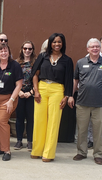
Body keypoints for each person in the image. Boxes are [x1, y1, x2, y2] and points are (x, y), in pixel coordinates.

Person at [69, 38, 102, 166]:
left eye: (97, 46)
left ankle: (98, 154)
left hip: (100, 104)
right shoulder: (80, 62)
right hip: (82, 102)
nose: (95, 48)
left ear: (100, 48)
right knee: (82, 130)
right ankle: (81, 152)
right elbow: (75, 81)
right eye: (92, 47)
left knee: (98, 131)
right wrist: (70, 95)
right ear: (87, 49)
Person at [30, 33, 74, 162]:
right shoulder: (42, 56)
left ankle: (48, 153)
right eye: (54, 42)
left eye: (59, 42)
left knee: (53, 122)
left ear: (63, 44)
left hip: (57, 90)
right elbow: (34, 74)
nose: (57, 44)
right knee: (39, 120)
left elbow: (68, 80)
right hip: (42, 88)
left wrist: (67, 96)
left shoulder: (67, 60)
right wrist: (36, 91)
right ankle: (36, 150)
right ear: (50, 43)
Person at [14, 41, 36, 151]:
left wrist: (31, 92)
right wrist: (19, 92)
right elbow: (12, 79)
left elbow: (39, 79)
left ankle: (30, 141)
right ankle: (19, 140)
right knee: (19, 118)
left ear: (32, 50)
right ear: (22, 49)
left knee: (30, 119)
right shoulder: (16, 63)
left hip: (31, 94)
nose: (27, 51)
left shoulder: (36, 63)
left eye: (30, 49)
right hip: (20, 93)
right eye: (25, 48)